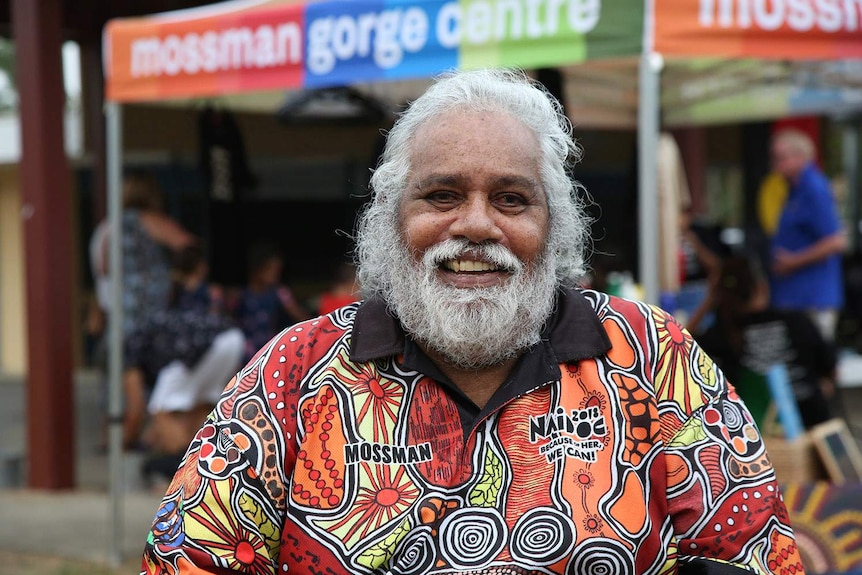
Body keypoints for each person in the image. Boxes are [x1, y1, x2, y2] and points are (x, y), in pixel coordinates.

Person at [142, 70, 802, 575]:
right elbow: (188, 555)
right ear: (392, 218)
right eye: (443, 194)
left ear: (555, 227)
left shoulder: (651, 355)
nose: (477, 224)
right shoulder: (298, 368)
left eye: (511, 199)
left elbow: (752, 551)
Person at [123, 246, 245, 460]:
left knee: (161, 410)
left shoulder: (132, 348)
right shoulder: (205, 293)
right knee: (201, 406)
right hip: (231, 337)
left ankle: (183, 470)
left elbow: (136, 409)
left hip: (191, 348)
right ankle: (207, 465)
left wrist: (126, 444)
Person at [697, 254, 836, 429]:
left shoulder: (722, 333)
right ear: (763, 286)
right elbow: (829, 366)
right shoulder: (796, 321)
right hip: (811, 420)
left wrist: (707, 301)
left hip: (751, 430)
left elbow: (679, 345)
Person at [769, 128, 846, 341]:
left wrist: (794, 261)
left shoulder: (814, 188)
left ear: (801, 157)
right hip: (794, 297)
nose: (776, 164)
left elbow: (836, 241)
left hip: (813, 298)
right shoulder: (793, 190)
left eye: (781, 158)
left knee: (815, 363)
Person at [233, 242, 311, 362]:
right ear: (257, 269)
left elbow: (300, 316)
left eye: (278, 271)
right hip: (245, 351)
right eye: (271, 270)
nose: (275, 275)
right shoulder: (241, 295)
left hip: (269, 349)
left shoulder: (280, 293)